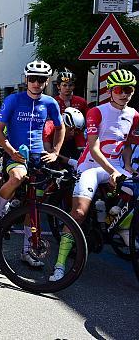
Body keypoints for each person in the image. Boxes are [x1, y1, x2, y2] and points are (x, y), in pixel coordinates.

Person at [49, 69, 138, 281]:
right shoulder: (97, 112)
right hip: (90, 166)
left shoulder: (134, 115)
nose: (124, 94)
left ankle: (118, 222)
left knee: (130, 204)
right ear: (110, 90)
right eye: (119, 90)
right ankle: (59, 265)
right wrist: (114, 172)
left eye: (129, 90)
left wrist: (127, 166)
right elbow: (94, 148)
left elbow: (125, 145)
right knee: (78, 213)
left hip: (116, 166)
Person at [0, 60, 65, 268]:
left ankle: (27, 251)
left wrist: (55, 152)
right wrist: (10, 151)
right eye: (32, 79)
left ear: (46, 81)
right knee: (17, 177)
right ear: (26, 79)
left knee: (34, 206)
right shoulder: (14, 100)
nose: (36, 83)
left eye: (41, 79)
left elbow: (61, 128)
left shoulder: (50, 103)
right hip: (16, 154)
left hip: (38, 155)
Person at [55, 70, 88, 158]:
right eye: (64, 85)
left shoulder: (81, 101)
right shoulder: (53, 102)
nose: (67, 88)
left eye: (70, 85)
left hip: (78, 138)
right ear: (58, 86)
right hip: (60, 138)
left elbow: (88, 120)